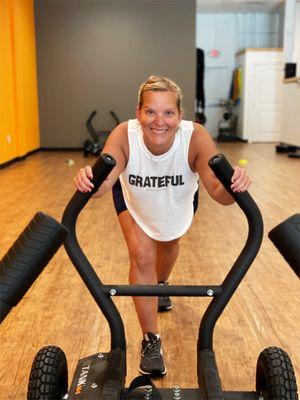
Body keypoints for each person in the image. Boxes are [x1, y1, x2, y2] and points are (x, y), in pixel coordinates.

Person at [74, 76, 251, 377]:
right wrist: (89, 179)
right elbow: (105, 181)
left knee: (168, 246)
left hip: (178, 200)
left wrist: (236, 186)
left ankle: (160, 286)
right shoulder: (124, 135)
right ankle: (150, 339)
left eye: (168, 112)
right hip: (134, 199)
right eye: (151, 112)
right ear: (139, 112)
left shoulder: (194, 137)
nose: (159, 121)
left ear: (180, 115)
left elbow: (217, 192)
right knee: (142, 255)